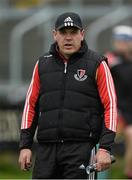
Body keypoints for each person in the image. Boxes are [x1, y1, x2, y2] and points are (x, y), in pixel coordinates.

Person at [18, 12, 117, 179]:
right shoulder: (42, 64)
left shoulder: (97, 63)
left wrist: (104, 148)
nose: (68, 38)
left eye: (73, 32)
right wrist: (25, 146)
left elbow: (111, 106)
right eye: (63, 32)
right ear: (55, 35)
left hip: (82, 149)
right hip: (46, 150)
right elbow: (31, 105)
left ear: (82, 34)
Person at [106, 25, 132, 179]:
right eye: (117, 40)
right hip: (116, 110)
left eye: (123, 41)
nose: (119, 44)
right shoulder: (110, 60)